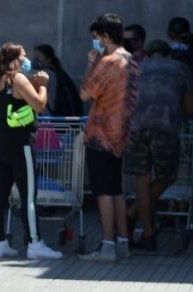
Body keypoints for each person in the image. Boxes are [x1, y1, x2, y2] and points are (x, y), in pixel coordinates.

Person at [0, 43, 63, 260]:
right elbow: (39, 105)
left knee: (0, 193)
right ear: (15, 60)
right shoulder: (16, 78)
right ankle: (35, 243)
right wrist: (43, 84)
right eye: (24, 57)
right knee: (29, 196)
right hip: (20, 145)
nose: (28, 61)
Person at [79, 13, 139, 263]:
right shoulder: (132, 62)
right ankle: (122, 242)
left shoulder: (109, 61)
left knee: (103, 191)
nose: (97, 43)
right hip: (121, 134)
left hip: (101, 134)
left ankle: (107, 246)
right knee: (116, 190)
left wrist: (92, 63)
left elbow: (85, 93)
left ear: (105, 36)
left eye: (97, 38)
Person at [124, 40, 193, 251]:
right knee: (168, 176)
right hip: (166, 127)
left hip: (135, 127)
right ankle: (132, 214)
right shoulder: (181, 68)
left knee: (141, 178)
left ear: (148, 54)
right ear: (168, 55)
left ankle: (146, 231)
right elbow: (190, 108)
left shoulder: (135, 66)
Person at [32, 44, 82, 118]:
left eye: (39, 57)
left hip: (49, 119)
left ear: (48, 59)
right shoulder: (59, 72)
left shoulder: (47, 74)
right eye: (34, 57)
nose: (35, 60)